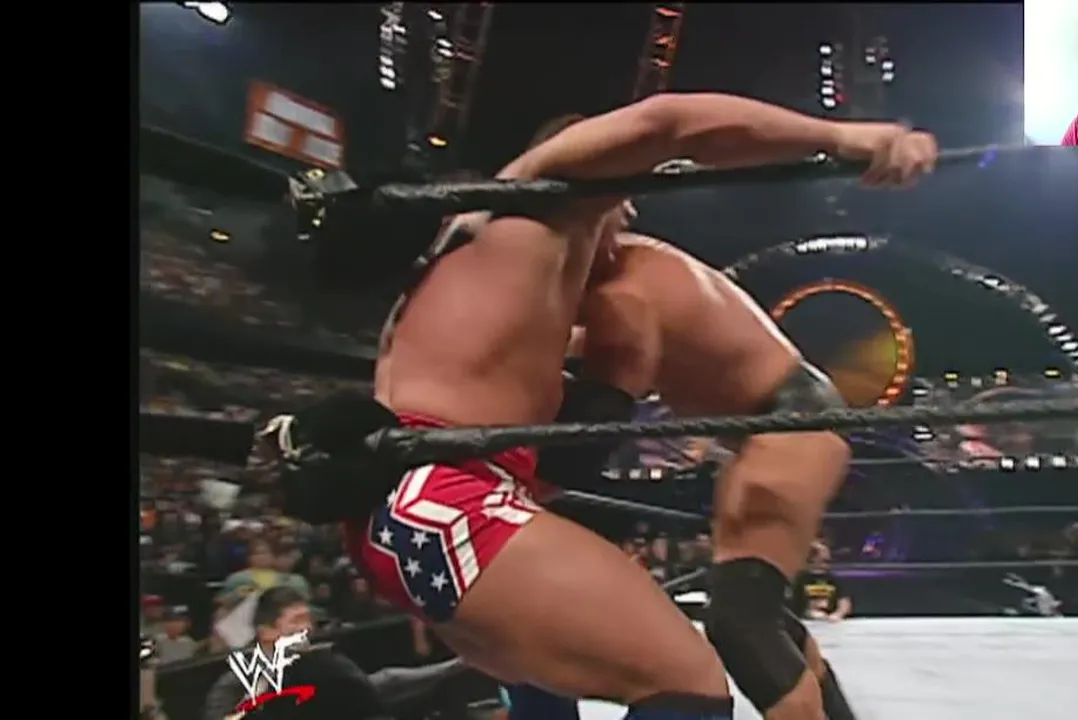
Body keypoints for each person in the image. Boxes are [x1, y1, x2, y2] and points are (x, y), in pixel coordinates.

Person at [279, 93, 937, 720]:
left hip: (403, 509)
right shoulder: (533, 201)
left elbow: (558, 447)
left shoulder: (483, 256)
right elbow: (668, 121)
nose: (629, 214)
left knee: (539, 673)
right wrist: (843, 137)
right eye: (624, 194)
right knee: (689, 683)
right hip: (446, 502)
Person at [517, 220, 926, 720]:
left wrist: (521, 487)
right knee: (762, 610)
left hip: (790, 424)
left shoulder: (624, 294)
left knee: (740, 626)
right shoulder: (639, 273)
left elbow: (603, 414)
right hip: (768, 431)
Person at [202, 587, 393, 720]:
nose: (306, 627)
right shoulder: (237, 685)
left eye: (308, 619)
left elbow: (369, 704)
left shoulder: (331, 665)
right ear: (266, 632)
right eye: (296, 620)